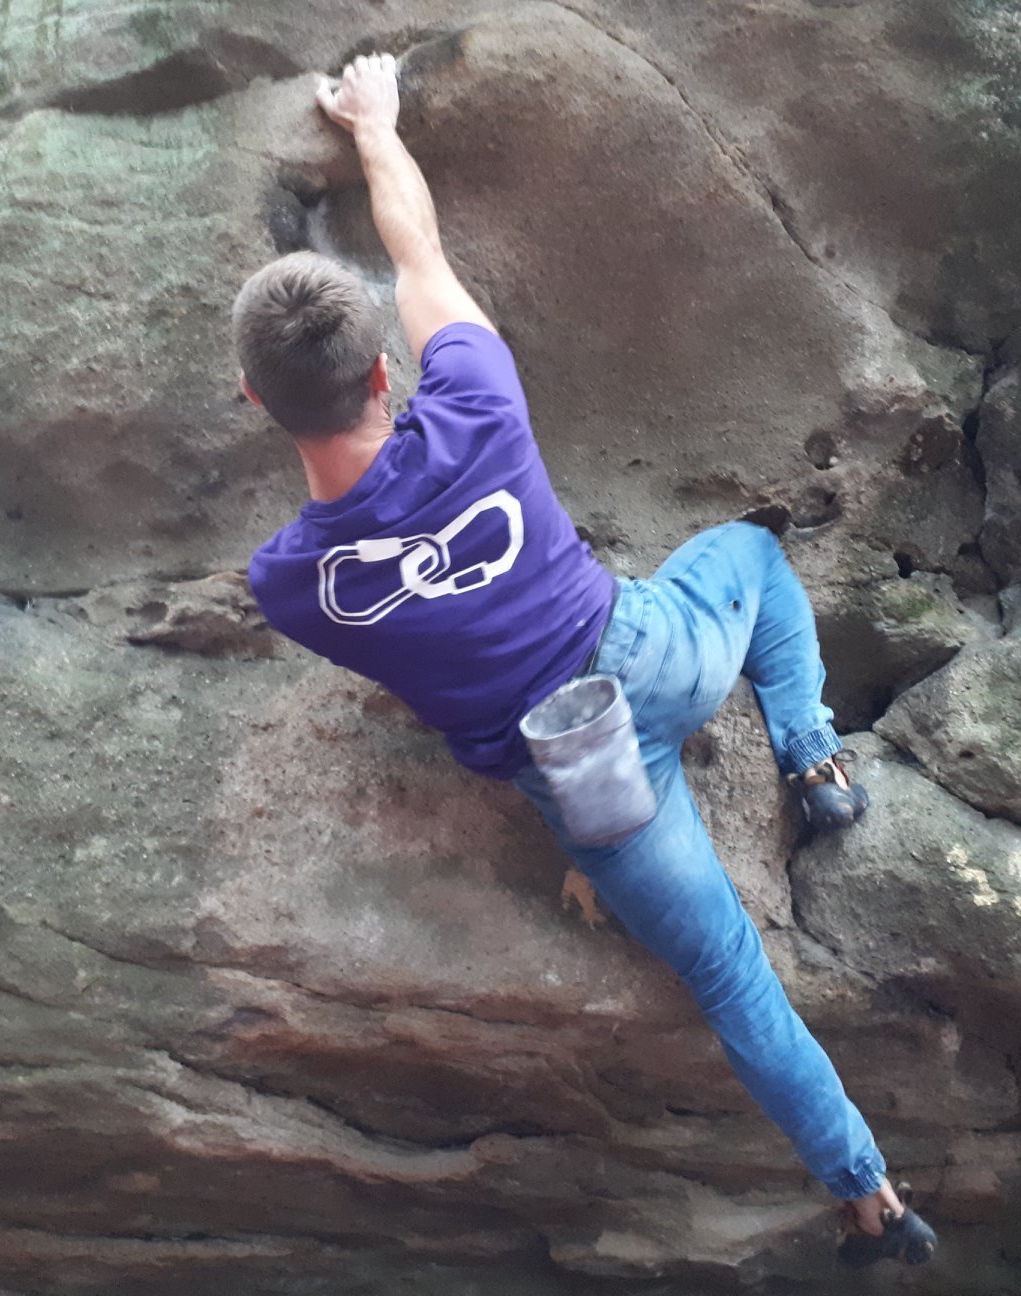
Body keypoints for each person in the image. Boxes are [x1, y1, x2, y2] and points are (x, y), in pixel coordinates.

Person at [237, 52, 936, 1267]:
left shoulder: (290, 585)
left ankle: (872, 1200)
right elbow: (418, 255)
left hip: (586, 775)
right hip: (652, 652)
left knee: (732, 981)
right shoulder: (476, 397)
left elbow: (403, 651)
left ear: (255, 401)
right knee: (751, 558)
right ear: (383, 373)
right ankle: (813, 757)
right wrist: (377, 125)